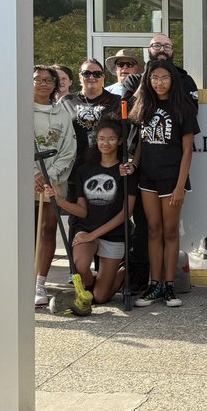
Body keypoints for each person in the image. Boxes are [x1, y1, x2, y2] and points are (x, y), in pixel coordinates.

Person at [128, 59, 199, 308]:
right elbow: (141, 142)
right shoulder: (144, 104)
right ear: (148, 80)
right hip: (147, 177)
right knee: (153, 230)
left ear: (173, 80)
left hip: (172, 178)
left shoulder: (183, 107)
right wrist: (134, 164)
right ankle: (155, 284)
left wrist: (180, 186)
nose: (159, 83)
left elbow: (188, 150)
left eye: (165, 78)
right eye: (155, 78)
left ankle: (169, 286)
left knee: (170, 231)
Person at [50, 120, 137, 306]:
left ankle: (122, 272)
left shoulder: (126, 173)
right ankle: (89, 285)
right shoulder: (84, 170)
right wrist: (59, 201)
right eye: (101, 138)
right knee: (80, 266)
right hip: (86, 229)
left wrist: (93, 235)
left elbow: (126, 212)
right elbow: (82, 212)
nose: (105, 143)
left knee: (100, 298)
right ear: (96, 140)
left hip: (114, 234)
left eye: (111, 139)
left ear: (120, 141)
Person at [32, 65, 76, 307]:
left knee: (48, 229)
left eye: (48, 80)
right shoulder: (21, 111)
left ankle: (40, 282)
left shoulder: (62, 114)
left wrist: (49, 176)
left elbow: (69, 149)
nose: (43, 84)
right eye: (37, 79)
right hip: (27, 180)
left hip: (54, 180)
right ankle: (23, 279)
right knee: (25, 231)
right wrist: (33, 174)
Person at [62, 58, 121, 166]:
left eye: (97, 74)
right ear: (80, 77)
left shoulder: (117, 101)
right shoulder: (67, 101)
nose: (92, 77)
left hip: (108, 165)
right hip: (74, 165)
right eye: (86, 73)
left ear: (103, 77)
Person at [120, 35, 199, 104]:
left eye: (167, 46)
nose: (162, 49)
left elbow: (191, 112)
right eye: (157, 45)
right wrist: (144, 82)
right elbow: (125, 110)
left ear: (172, 51)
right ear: (149, 50)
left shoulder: (185, 80)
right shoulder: (133, 80)